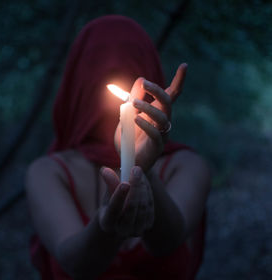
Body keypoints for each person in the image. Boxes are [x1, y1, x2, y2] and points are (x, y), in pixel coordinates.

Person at [26, 15, 211, 280]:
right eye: (98, 69)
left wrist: (140, 167)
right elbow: (76, 264)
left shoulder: (187, 166)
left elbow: (167, 244)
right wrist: (105, 226)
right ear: (79, 84)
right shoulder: (47, 172)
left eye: (128, 66)